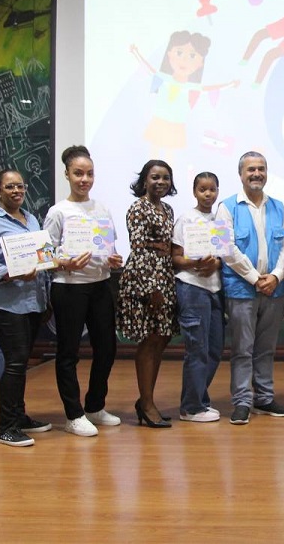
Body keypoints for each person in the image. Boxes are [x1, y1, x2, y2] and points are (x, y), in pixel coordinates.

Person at [43, 145, 124, 437]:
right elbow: (45, 255)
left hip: (100, 285)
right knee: (68, 352)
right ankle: (73, 414)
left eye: (89, 174)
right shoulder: (58, 212)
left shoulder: (101, 208)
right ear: (67, 175)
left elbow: (108, 248)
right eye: (78, 173)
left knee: (107, 348)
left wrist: (114, 259)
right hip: (68, 288)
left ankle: (94, 406)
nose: (84, 179)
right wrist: (63, 262)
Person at [0, 169, 52, 447]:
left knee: (21, 363)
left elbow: (41, 257)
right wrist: (9, 273)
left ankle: (19, 416)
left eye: (20, 186)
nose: (16, 191)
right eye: (9, 187)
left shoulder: (30, 219)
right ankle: (6, 427)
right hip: (6, 305)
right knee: (14, 362)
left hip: (33, 302)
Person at [216, 152, 284, 425]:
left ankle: (264, 398)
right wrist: (254, 277)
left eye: (261, 168)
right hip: (241, 290)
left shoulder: (279, 207)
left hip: (274, 289)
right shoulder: (226, 207)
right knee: (242, 348)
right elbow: (226, 248)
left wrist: (276, 275)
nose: (256, 174)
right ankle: (241, 401)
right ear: (241, 174)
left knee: (266, 348)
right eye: (251, 169)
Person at [117, 160, 178, 428]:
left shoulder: (168, 209)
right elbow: (140, 248)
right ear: (144, 180)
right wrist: (151, 287)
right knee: (149, 341)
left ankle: (147, 402)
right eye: (155, 177)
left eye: (165, 178)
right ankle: (147, 403)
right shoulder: (137, 208)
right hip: (145, 279)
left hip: (165, 276)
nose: (160, 182)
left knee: (161, 340)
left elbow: (164, 246)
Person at [130, 32, 239, 159]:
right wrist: (135, 53)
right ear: (169, 54)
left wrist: (230, 85)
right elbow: (148, 69)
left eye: (192, 56)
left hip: (176, 124)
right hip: (159, 119)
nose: (184, 60)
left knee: (170, 152)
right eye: (179, 53)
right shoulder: (164, 78)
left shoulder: (191, 87)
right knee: (155, 149)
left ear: (200, 63)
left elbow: (210, 88)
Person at [171, 172, 225, 423]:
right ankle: (191, 407)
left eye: (212, 190)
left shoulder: (221, 220)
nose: (207, 194)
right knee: (197, 349)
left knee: (214, 349)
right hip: (192, 288)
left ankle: (200, 400)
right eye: (203, 189)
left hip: (215, 289)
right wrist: (195, 262)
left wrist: (217, 262)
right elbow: (176, 258)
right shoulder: (186, 219)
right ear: (194, 192)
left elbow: (225, 254)